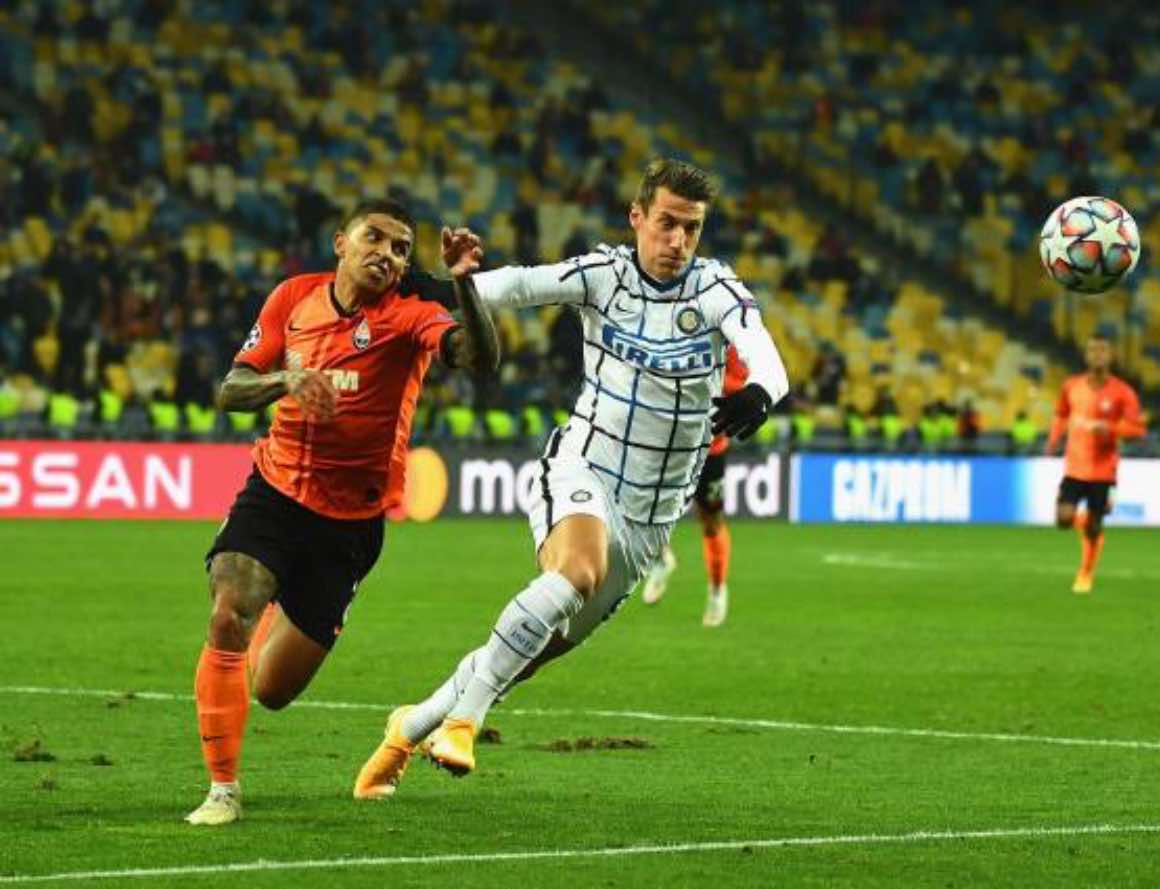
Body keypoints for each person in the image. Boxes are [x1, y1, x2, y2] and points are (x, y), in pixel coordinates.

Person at [353, 158, 788, 799]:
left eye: (691, 228)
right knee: (577, 570)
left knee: (526, 654)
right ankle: (464, 723)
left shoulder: (715, 288)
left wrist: (760, 393)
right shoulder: (603, 276)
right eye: (666, 223)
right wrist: (445, 283)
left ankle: (409, 727)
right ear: (637, 218)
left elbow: (767, 356)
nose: (677, 241)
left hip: (650, 518)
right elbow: (516, 286)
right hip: (584, 467)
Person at [186, 199, 500, 826]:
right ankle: (222, 790)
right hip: (275, 491)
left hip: (350, 525)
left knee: (273, 690)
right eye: (374, 238)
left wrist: (464, 283)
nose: (386, 254)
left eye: (401, 248)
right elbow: (231, 390)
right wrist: (285, 381)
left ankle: (274, 602)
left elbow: (479, 358)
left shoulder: (411, 315)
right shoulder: (293, 298)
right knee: (229, 611)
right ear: (341, 242)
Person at [639, 345, 748, 627]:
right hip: (669, 442)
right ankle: (661, 561)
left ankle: (717, 589)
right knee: (644, 509)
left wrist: (705, 378)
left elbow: (743, 385)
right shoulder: (675, 330)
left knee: (711, 522)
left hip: (711, 449)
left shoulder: (732, 341)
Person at [1045, 334, 1145, 595]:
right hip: (1075, 467)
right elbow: (1061, 414)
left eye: (1103, 350)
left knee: (1094, 527)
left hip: (1104, 470)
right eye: (1093, 350)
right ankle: (1088, 522)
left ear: (1111, 356)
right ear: (1086, 355)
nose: (1098, 355)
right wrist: (1053, 439)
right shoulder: (1071, 386)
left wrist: (1111, 429)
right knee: (1063, 519)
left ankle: (1085, 573)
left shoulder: (1123, 392)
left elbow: (1137, 428)